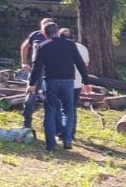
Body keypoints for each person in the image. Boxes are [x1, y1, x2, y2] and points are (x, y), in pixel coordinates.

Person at [28, 22, 90, 151]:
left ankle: (50, 145)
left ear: (45, 34)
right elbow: (80, 63)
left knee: (50, 112)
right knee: (68, 111)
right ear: (56, 31)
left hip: (51, 81)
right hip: (68, 82)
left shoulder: (42, 46)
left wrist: (32, 84)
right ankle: (67, 140)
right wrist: (87, 82)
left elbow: (37, 68)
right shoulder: (70, 45)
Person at [20, 17, 54, 128]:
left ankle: (48, 124)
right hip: (35, 70)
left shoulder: (56, 37)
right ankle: (26, 122)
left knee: (50, 98)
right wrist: (24, 62)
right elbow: (25, 47)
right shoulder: (35, 35)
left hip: (51, 72)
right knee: (30, 96)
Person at [58, 28, 90, 140]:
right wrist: (85, 82)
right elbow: (85, 66)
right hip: (76, 83)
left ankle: (62, 132)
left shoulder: (58, 47)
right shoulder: (82, 48)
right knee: (71, 109)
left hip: (61, 81)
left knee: (61, 108)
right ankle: (71, 132)